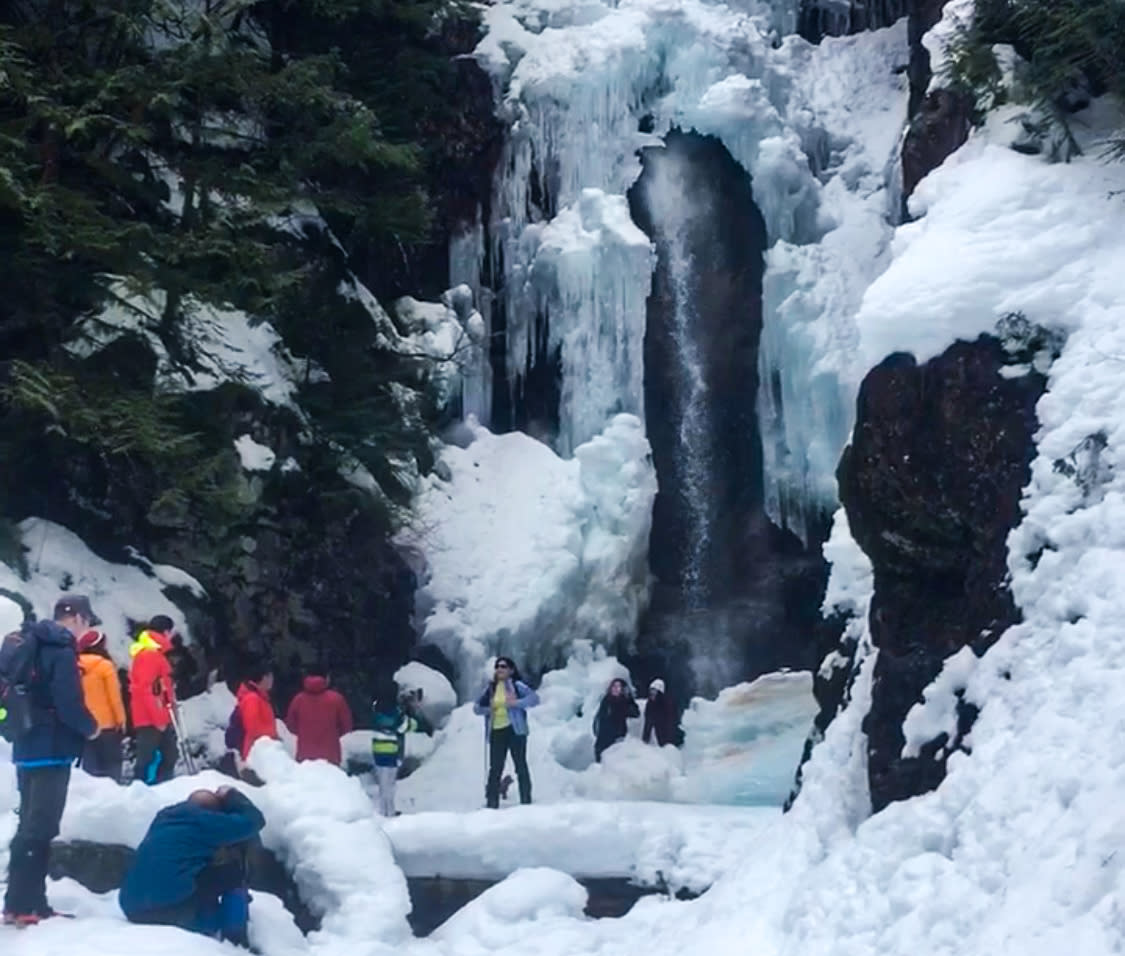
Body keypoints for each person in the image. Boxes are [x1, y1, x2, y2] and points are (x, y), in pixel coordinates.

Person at [3, 595, 98, 926]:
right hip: (51, 748)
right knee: (40, 828)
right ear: (78, 618)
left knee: (28, 824)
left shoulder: (27, 642)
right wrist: (91, 728)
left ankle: (18, 902)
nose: (86, 630)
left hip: (25, 744)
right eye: (87, 622)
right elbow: (68, 701)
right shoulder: (60, 648)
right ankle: (28, 905)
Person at [119, 786, 264, 947]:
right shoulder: (208, 822)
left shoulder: (164, 818)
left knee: (199, 877)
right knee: (233, 875)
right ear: (216, 812)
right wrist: (232, 796)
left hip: (132, 909)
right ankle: (236, 942)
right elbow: (255, 820)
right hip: (168, 910)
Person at [473, 657, 539, 809]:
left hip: (515, 730)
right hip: (496, 730)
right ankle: (491, 803)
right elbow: (476, 708)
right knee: (495, 768)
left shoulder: (517, 685)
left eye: (503, 666)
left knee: (520, 765)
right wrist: (489, 709)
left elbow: (534, 699)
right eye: (497, 667)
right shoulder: (491, 688)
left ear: (511, 670)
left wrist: (516, 703)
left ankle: (526, 801)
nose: (499, 669)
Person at [130, 615, 178, 784]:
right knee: (148, 757)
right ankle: (142, 790)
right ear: (166, 632)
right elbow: (146, 689)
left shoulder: (153, 653)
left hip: (157, 714)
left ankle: (157, 788)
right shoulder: (149, 655)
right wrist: (158, 718)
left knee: (169, 754)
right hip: (151, 717)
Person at [370, 688, 429, 817]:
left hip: (377, 747)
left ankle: (382, 809)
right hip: (391, 748)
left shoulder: (376, 708)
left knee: (382, 781)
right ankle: (389, 811)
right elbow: (404, 727)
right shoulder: (395, 712)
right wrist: (413, 723)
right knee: (390, 783)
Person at [77, 629, 126, 781]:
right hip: (107, 724)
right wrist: (121, 720)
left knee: (91, 767)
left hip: (84, 724)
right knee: (112, 765)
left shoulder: (73, 666)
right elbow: (114, 697)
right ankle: (114, 796)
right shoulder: (105, 666)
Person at [285, 672, 353, 765]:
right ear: (327, 679)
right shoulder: (337, 699)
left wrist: (304, 733)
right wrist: (334, 734)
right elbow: (347, 726)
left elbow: (290, 726)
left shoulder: (298, 700)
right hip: (331, 755)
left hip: (305, 755)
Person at [235, 665, 278, 762]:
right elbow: (253, 728)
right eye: (270, 677)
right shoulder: (252, 699)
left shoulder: (260, 698)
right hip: (255, 754)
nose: (272, 680)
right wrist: (272, 735)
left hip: (261, 751)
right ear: (263, 678)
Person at [593, 677, 639, 762]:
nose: (616, 689)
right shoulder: (606, 700)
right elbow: (600, 716)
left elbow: (635, 713)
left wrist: (629, 698)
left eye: (619, 687)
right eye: (614, 686)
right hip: (604, 736)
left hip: (618, 736)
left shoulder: (624, 701)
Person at [642, 677, 679, 747]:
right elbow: (648, 722)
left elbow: (672, 721)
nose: (652, 693)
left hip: (668, 734)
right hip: (658, 733)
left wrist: (669, 740)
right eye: (651, 690)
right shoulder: (650, 704)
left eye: (654, 691)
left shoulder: (668, 703)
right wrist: (645, 739)